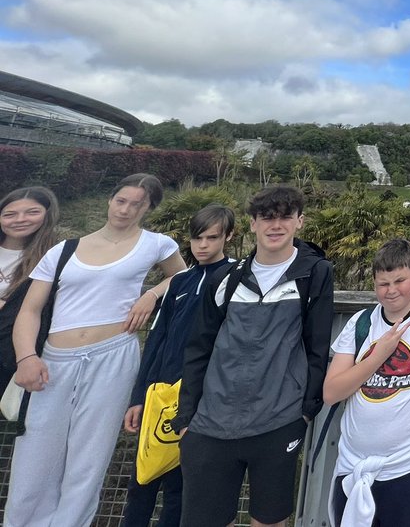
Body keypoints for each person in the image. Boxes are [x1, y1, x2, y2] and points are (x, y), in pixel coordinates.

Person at [6, 173, 185, 527]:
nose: (126, 209)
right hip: (54, 360)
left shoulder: (157, 244)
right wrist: (27, 357)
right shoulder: (64, 250)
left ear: (148, 208)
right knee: (35, 452)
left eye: (137, 204)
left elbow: (185, 276)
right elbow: (30, 310)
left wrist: (150, 294)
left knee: (89, 458)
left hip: (113, 354)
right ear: (110, 199)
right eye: (121, 200)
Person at [175, 185, 334, 527]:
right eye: (267, 217)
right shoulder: (226, 278)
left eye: (285, 217)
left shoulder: (315, 274)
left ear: (299, 222)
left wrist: (305, 412)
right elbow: (199, 348)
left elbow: (317, 346)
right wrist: (186, 418)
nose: (275, 225)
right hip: (210, 423)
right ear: (252, 223)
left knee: (270, 520)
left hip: (278, 420)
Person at [323, 238, 410, 527]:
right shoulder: (360, 324)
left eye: (400, 280)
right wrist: (378, 356)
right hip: (353, 466)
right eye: (383, 283)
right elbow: (331, 392)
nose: (392, 290)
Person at [120, 203, 238, 527]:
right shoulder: (179, 282)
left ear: (228, 236)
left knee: (181, 491)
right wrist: (138, 397)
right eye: (197, 238)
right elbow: (156, 341)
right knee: (141, 483)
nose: (202, 245)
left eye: (211, 238)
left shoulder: (236, 278)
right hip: (160, 395)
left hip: (202, 400)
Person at [0, 186, 60, 387]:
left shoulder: (54, 257)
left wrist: (151, 293)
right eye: (10, 214)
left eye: (32, 212)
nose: (20, 219)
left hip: (10, 354)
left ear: (47, 215)